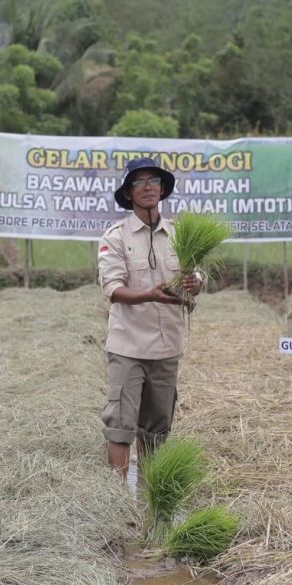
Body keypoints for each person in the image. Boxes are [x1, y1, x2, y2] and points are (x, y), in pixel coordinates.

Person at [98, 157, 201, 476]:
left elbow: (197, 277)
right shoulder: (116, 237)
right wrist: (149, 295)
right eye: (139, 182)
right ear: (128, 192)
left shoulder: (180, 234)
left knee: (157, 429)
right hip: (128, 346)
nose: (147, 187)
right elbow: (113, 289)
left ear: (162, 189)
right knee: (120, 424)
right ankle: (116, 503)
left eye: (153, 181)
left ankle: (149, 495)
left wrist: (194, 283)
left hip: (167, 346)